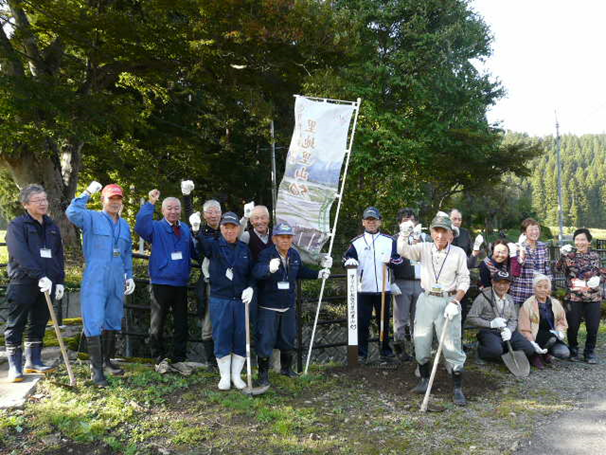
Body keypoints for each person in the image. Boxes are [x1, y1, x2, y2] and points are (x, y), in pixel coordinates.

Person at [66, 181, 135, 387]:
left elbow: (127, 252)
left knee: (113, 318)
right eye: (111, 198)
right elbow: (72, 212)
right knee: (94, 318)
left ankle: (107, 361)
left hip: (116, 277)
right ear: (103, 199)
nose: (115, 202)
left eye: (118, 199)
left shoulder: (124, 225)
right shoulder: (91, 217)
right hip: (96, 276)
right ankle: (96, 371)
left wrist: (129, 275)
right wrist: (87, 192)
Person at [398, 212, 469, 406]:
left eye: (444, 231)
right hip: (427, 299)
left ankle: (457, 388)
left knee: (451, 345)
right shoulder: (423, 248)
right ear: (431, 232)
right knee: (421, 341)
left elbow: (464, 279)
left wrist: (456, 302)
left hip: (449, 301)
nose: (440, 236)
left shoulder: (458, 253)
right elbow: (403, 251)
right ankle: (423, 380)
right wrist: (404, 234)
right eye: (437, 231)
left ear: (451, 234)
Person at [252, 222, 331, 385]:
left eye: (288, 237)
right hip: (268, 306)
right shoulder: (266, 254)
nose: (285, 241)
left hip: (287, 305)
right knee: (265, 340)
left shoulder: (294, 255)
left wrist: (319, 274)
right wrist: (268, 269)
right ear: (274, 239)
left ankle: (286, 369)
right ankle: (263, 375)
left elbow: (300, 271)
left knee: (288, 337)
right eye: (282, 237)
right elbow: (256, 272)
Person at [4, 185, 65, 382]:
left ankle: (34, 361)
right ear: (26, 204)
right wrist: (39, 275)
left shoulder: (52, 226)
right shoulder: (17, 226)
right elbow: (21, 254)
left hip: (48, 284)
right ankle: (15, 366)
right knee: (16, 324)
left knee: (38, 322)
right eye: (37, 200)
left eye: (44, 199)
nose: (43, 203)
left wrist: (60, 281)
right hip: (24, 282)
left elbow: (57, 255)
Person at [135, 189, 197, 363]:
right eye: (169, 208)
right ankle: (158, 358)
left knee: (181, 324)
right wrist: (150, 203)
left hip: (181, 283)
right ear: (163, 211)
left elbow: (195, 252)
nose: (173, 211)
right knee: (157, 324)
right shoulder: (155, 227)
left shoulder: (185, 228)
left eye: (176, 208)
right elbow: (140, 226)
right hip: (160, 282)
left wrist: (198, 234)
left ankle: (179, 358)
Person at [196, 211, 255, 390]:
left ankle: (236, 376)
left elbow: (251, 273)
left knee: (240, 336)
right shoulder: (213, 246)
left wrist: (251, 287)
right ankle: (224, 376)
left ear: (238, 229)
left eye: (233, 227)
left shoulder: (245, 249)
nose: (229, 231)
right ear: (221, 228)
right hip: (220, 300)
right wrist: (194, 223)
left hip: (240, 300)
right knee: (221, 336)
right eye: (226, 227)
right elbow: (199, 241)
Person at [343, 207, 398, 364]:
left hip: (383, 289)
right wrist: (348, 262)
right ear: (363, 222)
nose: (371, 223)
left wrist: (391, 261)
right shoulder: (356, 242)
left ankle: (385, 353)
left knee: (384, 323)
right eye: (368, 220)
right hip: (363, 289)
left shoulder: (389, 241)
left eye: (374, 220)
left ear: (379, 221)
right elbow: (345, 259)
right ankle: (361, 355)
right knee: (362, 323)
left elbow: (398, 260)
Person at [183, 181, 221, 370]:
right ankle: (210, 361)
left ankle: (225, 359)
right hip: (207, 282)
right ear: (205, 215)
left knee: (227, 321)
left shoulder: (228, 229)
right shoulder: (200, 231)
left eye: (216, 211)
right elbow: (191, 220)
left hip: (228, 283)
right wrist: (187, 196)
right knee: (207, 322)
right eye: (209, 212)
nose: (213, 215)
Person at [555, 228, 605, 363]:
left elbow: (602, 272)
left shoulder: (595, 256)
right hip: (574, 297)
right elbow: (558, 269)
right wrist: (562, 255)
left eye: (583, 239)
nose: (580, 242)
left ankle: (589, 352)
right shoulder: (569, 256)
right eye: (577, 239)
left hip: (593, 296)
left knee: (593, 327)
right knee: (573, 326)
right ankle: (573, 349)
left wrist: (599, 279)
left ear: (589, 242)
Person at [467, 271, 534, 363]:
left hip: (507, 332)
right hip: (489, 332)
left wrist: (509, 330)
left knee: (529, 349)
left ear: (509, 284)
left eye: (505, 283)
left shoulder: (509, 298)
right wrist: (490, 324)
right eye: (499, 282)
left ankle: (503, 351)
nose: (502, 286)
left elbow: (513, 319)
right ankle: (480, 351)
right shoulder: (483, 298)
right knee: (495, 351)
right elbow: (471, 318)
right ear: (493, 282)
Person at [391, 208, 426, 362]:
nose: (409, 223)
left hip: (421, 283)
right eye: (405, 220)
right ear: (399, 223)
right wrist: (391, 282)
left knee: (418, 320)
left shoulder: (425, 238)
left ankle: (418, 350)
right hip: (401, 282)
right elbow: (387, 263)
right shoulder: (393, 239)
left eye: (412, 220)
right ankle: (400, 352)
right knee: (400, 320)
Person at [518, 274, 569, 369]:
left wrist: (560, 331)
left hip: (551, 335)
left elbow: (561, 321)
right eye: (539, 286)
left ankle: (546, 353)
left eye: (546, 287)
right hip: (535, 335)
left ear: (549, 289)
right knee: (550, 338)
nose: (542, 290)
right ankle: (534, 355)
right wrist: (532, 342)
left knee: (564, 353)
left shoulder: (555, 303)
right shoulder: (527, 305)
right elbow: (524, 328)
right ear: (534, 288)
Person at [509, 218, 552, 307]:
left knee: (538, 319)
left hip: (539, 291)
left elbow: (547, 267)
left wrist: (548, 287)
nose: (534, 232)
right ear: (524, 232)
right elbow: (518, 265)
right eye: (531, 230)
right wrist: (522, 249)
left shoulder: (543, 246)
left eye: (536, 229)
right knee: (521, 319)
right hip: (522, 290)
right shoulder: (518, 246)